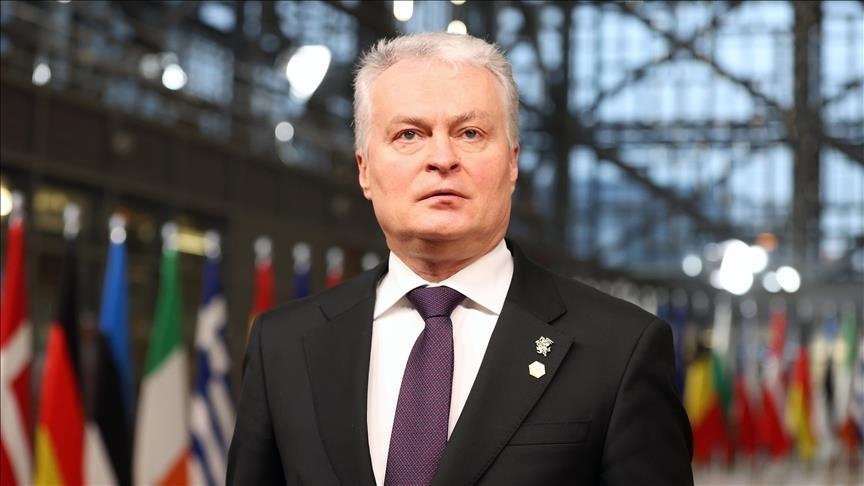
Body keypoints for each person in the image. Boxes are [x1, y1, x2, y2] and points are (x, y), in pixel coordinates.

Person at [227, 32, 693, 485]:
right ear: (364, 169)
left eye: (470, 133)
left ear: (512, 162)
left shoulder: (620, 349)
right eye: (409, 134)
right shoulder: (282, 346)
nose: (442, 158)